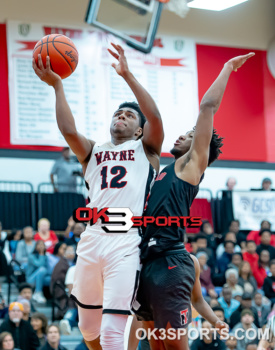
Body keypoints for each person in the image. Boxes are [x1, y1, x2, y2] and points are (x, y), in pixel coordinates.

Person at [33, 42, 164, 350]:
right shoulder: (94, 151)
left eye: (130, 116)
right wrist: (58, 87)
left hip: (126, 240)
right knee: (88, 328)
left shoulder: (146, 150)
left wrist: (127, 74)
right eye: (119, 112)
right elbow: (68, 131)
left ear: (138, 131)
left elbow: (155, 117)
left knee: (112, 330)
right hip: (92, 239)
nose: (122, 115)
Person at [134, 53, 254, 350]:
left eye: (190, 136)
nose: (181, 136)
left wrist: (226, 68)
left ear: (199, 148)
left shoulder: (191, 165)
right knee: (156, 347)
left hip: (170, 263)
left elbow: (207, 106)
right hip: (149, 263)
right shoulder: (163, 172)